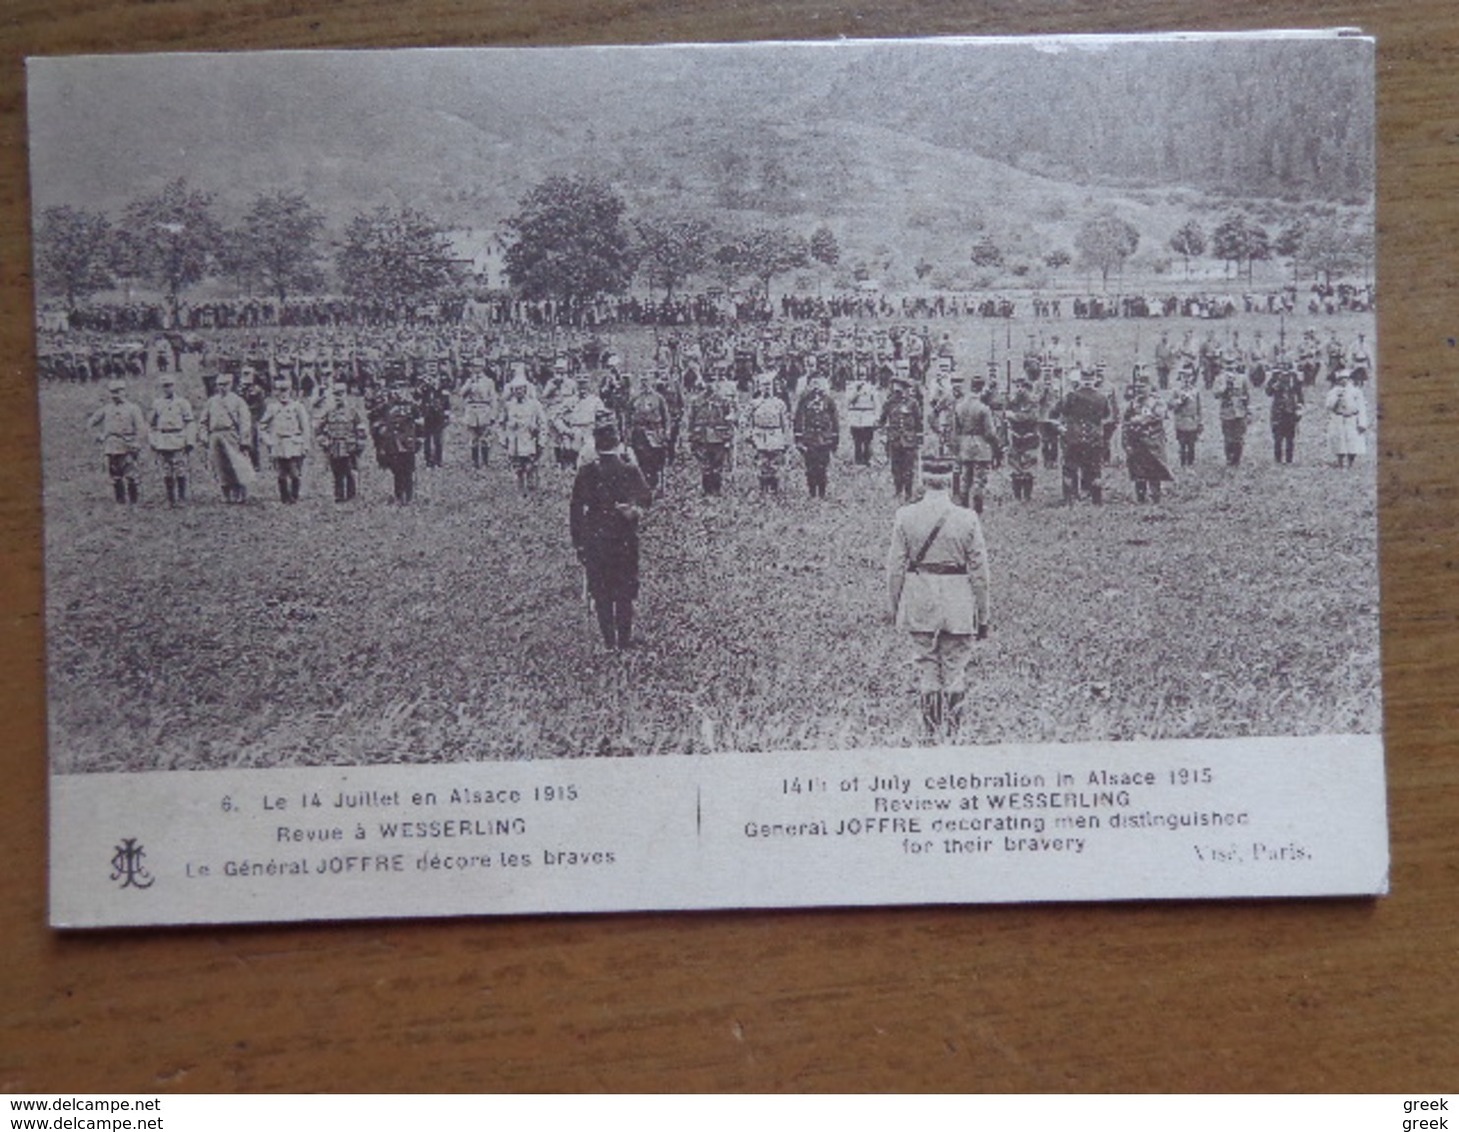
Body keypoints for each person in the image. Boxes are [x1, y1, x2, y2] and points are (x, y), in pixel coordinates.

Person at [885, 453, 990, 741]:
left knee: (927, 666)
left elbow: (895, 568)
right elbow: (981, 574)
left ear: (922, 479)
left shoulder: (905, 516)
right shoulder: (967, 519)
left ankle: (931, 735)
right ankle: (953, 736)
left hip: (920, 598)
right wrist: (983, 616)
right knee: (955, 669)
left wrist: (895, 608)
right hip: (958, 602)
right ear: (950, 480)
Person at [570, 412, 653, 653]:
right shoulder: (628, 468)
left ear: (595, 444)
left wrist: (579, 543)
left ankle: (609, 643)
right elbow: (646, 497)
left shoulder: (586, 472)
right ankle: (624, 641)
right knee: (624, 590)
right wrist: (633, 510)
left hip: (594, 538)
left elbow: (575, 509)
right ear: (617, 441)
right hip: (624, 539)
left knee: (601, 591)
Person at [1053, 369, 1111, 505]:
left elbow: (1058, 411)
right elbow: (1106, 415)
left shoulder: (1071, 396)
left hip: (1074, 437)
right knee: (1095, 469)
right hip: (1094, 437)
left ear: (1081, 380)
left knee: (1070, 467)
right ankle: (1096, 500)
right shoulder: (1102, 398)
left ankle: (1069, 499)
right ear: (1095, 379)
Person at [197, 371, 256, 503]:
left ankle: (241, 493)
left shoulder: (237, 401)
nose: (221, 387)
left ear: (230, 384)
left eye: (224, 384)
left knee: (237, 464)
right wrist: (204, 436)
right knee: (219, 465)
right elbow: (203, 421)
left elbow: (245, 421)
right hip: (215, 435)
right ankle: (225, 493)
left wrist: (244, 439)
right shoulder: (212, 401)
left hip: (231, 434)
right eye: (219, 385)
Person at [88, 379, 148, 504]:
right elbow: (91, 422)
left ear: (124, 392)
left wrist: (137, 442)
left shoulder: (133, 408)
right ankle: (120, 502)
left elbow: (141, 428)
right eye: (112, 392)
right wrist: (99, 436)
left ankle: (134, 502)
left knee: (131, 475)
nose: (115, 395)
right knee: (115, 476)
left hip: (128, 445)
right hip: (111, 446)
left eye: (118, 392)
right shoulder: (106, 409)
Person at [953, 373, 1001, 513]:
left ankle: (963, 508)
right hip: (981, 446)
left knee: (965, 477)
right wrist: (997, 446)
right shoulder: (983, 408)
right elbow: (990, 433)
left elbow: (956, 430)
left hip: (965, 444)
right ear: (982, 388)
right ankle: (977, 510)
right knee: (979, 479)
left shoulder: (959, 406)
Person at [258, 379, 312, 503]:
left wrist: (305, 444)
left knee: (294, 472)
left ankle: (294, 495)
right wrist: (268, 441)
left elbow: (305, 427)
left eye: (285, 390)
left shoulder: (297, 407)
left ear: (291, 391)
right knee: (281, 473)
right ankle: (284, 497)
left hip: (294, 443)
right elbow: (262, 426)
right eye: (279, 391)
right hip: (279, 444)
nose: (282, 394)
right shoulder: (272, 407)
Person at [372, 377, 423, 503]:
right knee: (397, 471)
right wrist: (381, 434)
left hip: (409, 442)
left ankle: (409, 497)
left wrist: (420, 441)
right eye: (396, 389)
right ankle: (399, 496)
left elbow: (420, 425)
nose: (399, 392)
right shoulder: (386, 406)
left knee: (409, 471)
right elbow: (373, 418)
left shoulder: (413, 407)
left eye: (402, 389)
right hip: (393, 443)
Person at [1121, 382, 1174, 503]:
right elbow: (1126, 421)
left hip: (1153, 443)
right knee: (1139, 472)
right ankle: (1141, 498)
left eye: (1143, 386)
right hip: (1137, 442)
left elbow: (1160, 416)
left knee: (1154, 471)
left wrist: (1141, 420)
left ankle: (1156, 498)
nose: (1140, 390)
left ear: (1150, 387)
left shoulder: (1157, 402)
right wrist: (1126, 442)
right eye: (1138, 387)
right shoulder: (1133, 403)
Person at [315, 384, 367, 502]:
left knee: (350, 471)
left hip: (350, 447)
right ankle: (339, 496)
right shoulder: (330, 412)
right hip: (334, 447)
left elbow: (361, 428)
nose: (339, 398)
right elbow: (318, 428)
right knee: (337, 472)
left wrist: (359, 445)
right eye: (336, 395)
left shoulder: (353, 412)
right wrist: (324, 441)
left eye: (341, 394)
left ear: (346, 395)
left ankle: (351, 495)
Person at [148, 373, 194, 506]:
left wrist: (190, 440)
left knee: (180, 469)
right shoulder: (157, 403)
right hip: (163, 439)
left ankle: (182, 498)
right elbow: (151, 424)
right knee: (166, 470)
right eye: (164, 386)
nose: (167, 389)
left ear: (174, 386)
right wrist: (153, 440)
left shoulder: (182, 403)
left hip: (178, 438)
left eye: (169, 386)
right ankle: (170, 499)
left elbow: (190, 422)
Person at [500, 373, 550, 493]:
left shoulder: (534, 405)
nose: (519, 392)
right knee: (517, 468)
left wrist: (542, 440)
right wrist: (502, 438)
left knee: (530, 467)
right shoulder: (508, 405)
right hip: (514, 442)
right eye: (516, 389)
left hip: (530, 441)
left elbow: (543, 423)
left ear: (526, 389)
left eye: (521, 389)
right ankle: (520, 492)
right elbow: (501, 423)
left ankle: (533, 491)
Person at [793, 372, 840, 498]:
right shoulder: (804, 400)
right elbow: (798, 419)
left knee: (822, 467)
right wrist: (798, 438)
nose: (816, 386)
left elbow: (835, 420)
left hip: (825, 438)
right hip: (809, 438)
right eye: (813, 383)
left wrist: (835, 438)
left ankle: (822, 493)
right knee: (810, 468)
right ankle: (812, 493)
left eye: (819, 383)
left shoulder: (828, 400)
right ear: (809, 385)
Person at [877, 372, 923, 501]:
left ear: (905, 388)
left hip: (909, 440)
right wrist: (881, 432)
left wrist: (919, 439)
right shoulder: (889, 403)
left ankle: (908, 492)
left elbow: (919, 422)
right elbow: (882, 420)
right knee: (895, 467)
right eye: (895, 387)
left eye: (900, 387)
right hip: (894, 439)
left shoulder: (913, 403)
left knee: (908, 468)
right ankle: (898, 490)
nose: (898, 390)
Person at [686, 377, 736, 496]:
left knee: (717, 464)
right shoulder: (696, 401)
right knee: (705, 465)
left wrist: (728, 437)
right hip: (701, 437)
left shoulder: (723, 401)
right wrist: (691, 436)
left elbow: (729, 421)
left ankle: (717, 490)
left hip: (718, 437)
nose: (710, 385)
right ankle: (706, 490)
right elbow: (691, 420)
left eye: (712, 381)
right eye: (707, 381)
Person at [746, 373, 792, 494]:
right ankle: (763, 489)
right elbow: (744, 420)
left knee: (775, 463)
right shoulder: (754, 403)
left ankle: (774, 489)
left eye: (769, 385)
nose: (766, 388)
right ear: (759, 387)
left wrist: (787, 438)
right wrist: (748, 433)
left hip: (775, 435)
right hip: (760, 435)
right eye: (763, 385)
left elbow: (785, 423)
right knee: (762, 463)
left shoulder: (779, 403)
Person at [626, 373, 671, 491]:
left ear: (652, 381)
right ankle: (643, 485)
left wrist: (666, 432)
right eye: (642, 381)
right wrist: (627, 435)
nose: (645, 383)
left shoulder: (658, 398)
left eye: (647, 380)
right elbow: (627, 418)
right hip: (639, 434)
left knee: (655, 460)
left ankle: (655, 484)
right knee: (641, 460)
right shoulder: (635, 398)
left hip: (655, 433)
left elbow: (666, 417)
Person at [1004, 378, 1041, 503]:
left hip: (1029, 438)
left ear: (1027, 388)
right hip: (1015, 437)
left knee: (1028, 468)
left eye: (1022, 387)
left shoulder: (1033, 402)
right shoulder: (1012, 402)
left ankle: (1027, 496)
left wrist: (1015, 416)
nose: (1019, 389)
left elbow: (1031, 417)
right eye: (1017, 386)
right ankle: (1017, 496)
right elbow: (1005, 415)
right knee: (1015, 467)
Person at [460, 360, 499, 470]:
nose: (475, 369)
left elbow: (493, 399)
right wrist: (470, 383)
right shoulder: (469, 380)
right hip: (472, 409)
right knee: (473, 438)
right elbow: (461, 393)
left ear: (482, 368)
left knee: (485, 438)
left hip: (484, 409)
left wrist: (493, 415)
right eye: (473, 366)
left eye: (477, 366)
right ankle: (475, 462)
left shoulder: (488, 381)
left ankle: (485, 462)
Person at [1325, 370, 1369, 468]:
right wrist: (1337, 397)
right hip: (1338, 418)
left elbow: (1361, 407)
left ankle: (1351, 462)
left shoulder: (1356, 391)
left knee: (1352, 441)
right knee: (1339, 441)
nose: (1343, 381)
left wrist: (1362, 423)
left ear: (1349, 380)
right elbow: (1329, 406)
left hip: (1352, 418)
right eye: (1341, 379)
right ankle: (1340, 461)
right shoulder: (1333, 391)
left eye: (1346, 379)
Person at [1265, 361, 1305, 464]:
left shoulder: (1294, 377)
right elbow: (1268, 392)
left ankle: (1289, 459)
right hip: (1277, 411)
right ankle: (1278, 459)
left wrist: (1300, 408)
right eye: (1282, 368)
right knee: (1277, 436)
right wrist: (1274, 386)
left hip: (1291, 410)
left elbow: (1300, 394)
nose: (1284, 370)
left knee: (1290, 436)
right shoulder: (1275, 377)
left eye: (1286, 367)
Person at [1215, 368, 1252, 466]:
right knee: (1228, 438)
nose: (1230, 368)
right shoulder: (1220, 379)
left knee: (1239, 438)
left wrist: (1248, 411)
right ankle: (1229, 458)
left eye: (1232, 364)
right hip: (1226, 412)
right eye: (1228, 364)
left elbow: (1247, 396)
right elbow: (1216, 394)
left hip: (1240, 412)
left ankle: (1237, 460)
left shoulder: (1242, 378)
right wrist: (1224, 387)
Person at [845, 372, 882, 465]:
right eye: (860, 375)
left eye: (863, 375)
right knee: (857, 440)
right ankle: (858, 459)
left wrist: (876, 417)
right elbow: (848, 401)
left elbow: (877, 403)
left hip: (868, 416)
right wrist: (856, 392)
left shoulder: (871, 388)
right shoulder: (851, 387)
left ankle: (867, 459)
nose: (862, 378)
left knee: (867, 440)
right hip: (855, 417)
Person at [1169, 375, 1202, 468]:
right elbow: (1170, 405)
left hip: (1192, 421)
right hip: (1181, 421)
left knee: (1192, 444)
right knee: (1182, 444)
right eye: (1184, 377)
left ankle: (1190, 463)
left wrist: (1200, 422)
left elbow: (1199, 408)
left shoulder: (1195, 391)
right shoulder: (1176, 391)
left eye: (1188, 376)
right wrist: (1179, 401)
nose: (1186, 379)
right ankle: (1182, 463)